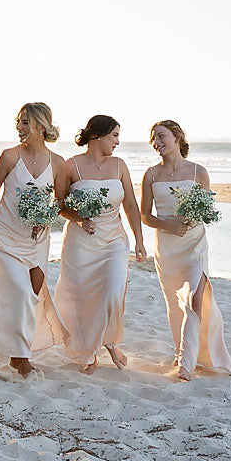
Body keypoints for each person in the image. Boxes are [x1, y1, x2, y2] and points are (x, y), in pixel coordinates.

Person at [0, 102, 69, 378]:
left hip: (37, 240)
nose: (19, 128)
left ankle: (16, 354)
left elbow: (59, 203)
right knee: (20, 291)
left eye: (25, 122)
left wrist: (46, 219)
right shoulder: (9, 156)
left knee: (33, 293)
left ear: (41, 126)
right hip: (7, 234)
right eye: (18, 122)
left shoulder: (58, 163)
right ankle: (23, 356)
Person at [141, 120, 231, 380]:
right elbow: (145, 216)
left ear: (177, 137)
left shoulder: (199, 173)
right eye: (153, 139)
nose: (156, 142)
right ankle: (180, 351)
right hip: (167, 247)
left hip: (194, 245)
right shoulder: (151, 174)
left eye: (161, 136)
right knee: (175, 304)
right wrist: (168, 224)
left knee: (194, 299)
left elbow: (206, 211)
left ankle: (186, 363)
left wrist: (194, 218)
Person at [56, 114, 146, 374]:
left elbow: (130, 204)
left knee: (112, 292)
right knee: (83, 298)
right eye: (115, 135)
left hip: (114, 241)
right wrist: (81, 219)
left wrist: (139, 240)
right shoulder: (70, 166)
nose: (118, 142)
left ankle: (108, 341)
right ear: (97, 136)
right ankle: (91, 351)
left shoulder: (119, 165)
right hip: (81, 242)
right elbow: (60, 206)